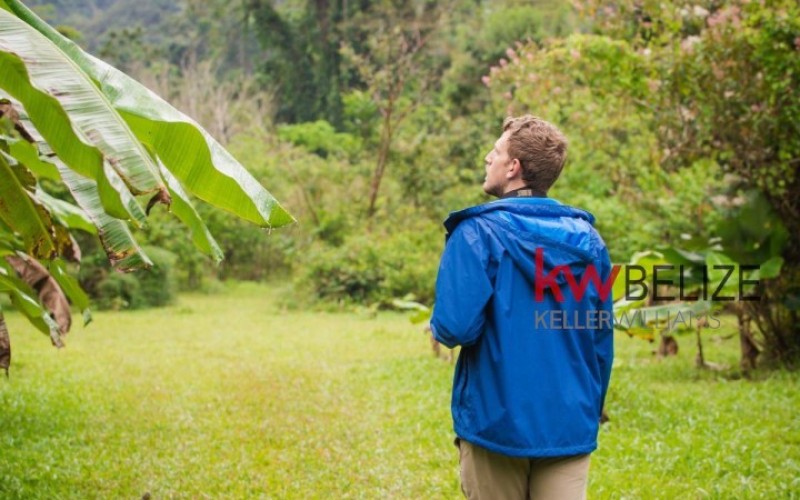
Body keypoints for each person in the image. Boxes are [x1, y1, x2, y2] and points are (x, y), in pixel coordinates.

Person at [430, 115, 614, 500]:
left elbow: (454, 328)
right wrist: (587, 410)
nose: (488, 157)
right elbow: (600, 339)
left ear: (513, 167)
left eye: (495, 151)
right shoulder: (590, 241)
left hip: (495, 422)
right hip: (568, 423)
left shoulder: (476, 233)